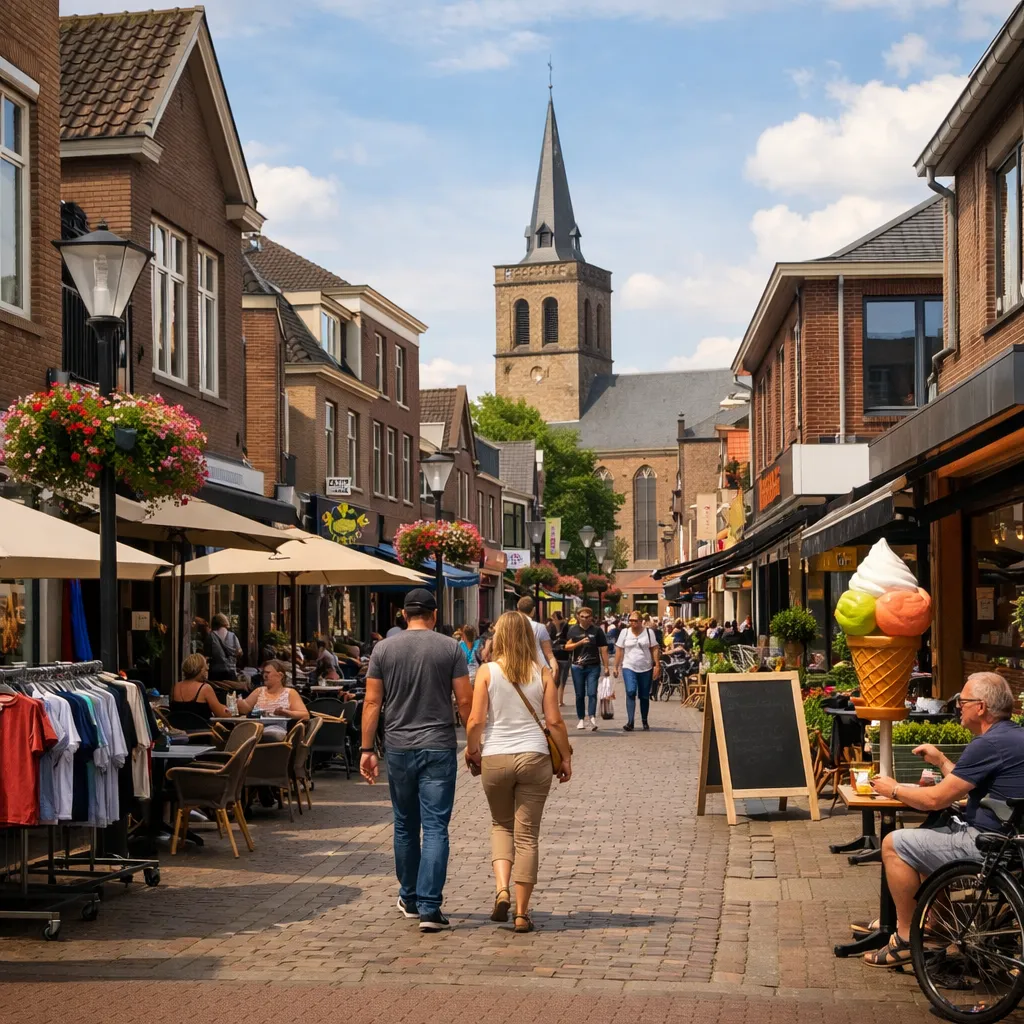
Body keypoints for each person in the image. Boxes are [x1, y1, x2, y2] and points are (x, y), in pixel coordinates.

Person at [862, 673, 1024, 968]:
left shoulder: (988, 744)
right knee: (930, 837)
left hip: (987, 845)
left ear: (982, 707)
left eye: (963, 701)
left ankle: (907, 937)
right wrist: (940, 761)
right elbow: (967, 783)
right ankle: (936, 926)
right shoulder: (1013, 737)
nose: (958, 706)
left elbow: (937, 799)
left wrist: (894, 789)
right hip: (1011, 842)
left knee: (894, 844)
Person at [360, 588, 473, 933]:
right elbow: (465, 701)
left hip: (398, 746)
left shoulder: (383, 649)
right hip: (439, 746)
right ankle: (429, 908)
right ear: (434, 615)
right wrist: (474, 743)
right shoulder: (449, 648)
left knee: (405, 824)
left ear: (404, 615)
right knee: (436, 826)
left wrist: (366, 749)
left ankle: (409, 898)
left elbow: (371, 702)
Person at [464, 612, 572, 933]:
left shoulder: (487, 671)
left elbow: (475, 721)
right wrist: (564, 757)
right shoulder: (543, 672)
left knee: (501, 824)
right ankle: (522, 913)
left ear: (498, 637)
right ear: (527, 636)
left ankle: (501, 890)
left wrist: (472, 750)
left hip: (496, 755)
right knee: (527, 836)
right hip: (534, 756)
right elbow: (554, 722)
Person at [235, 659, 309, 740]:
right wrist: (239, 703)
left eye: (268, 673)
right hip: (255, 727)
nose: (264, 676)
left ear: (280, 676)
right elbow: (246, 708)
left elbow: (305, 715)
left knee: (267, 734)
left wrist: (286, 712)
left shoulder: (290, 693)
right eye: (264, 673)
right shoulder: (259, 691)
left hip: (276, 730)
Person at [612, 612, 661, 732]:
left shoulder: (649, 633)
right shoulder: (625, 632)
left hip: (646, 667)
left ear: (641, 622)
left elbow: (655, 648)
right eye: (630, 620)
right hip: (629, 666)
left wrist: (657, 665)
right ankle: (630, 722)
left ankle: (644, 720)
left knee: (644, 696)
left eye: (635, 621)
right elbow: (619, 649)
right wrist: (616, 666)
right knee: (630, 691)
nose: (632, 623)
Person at [564, 606, 609, 732]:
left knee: (592, 693)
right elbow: (567, 647)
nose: (584, 619)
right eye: (582, 617)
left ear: (591, 617)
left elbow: (604, 649)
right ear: (578, 617)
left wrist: (606, 666)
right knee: (579, 694)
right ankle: (581, 719)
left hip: (593, 666)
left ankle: (592, 717)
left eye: (587, 617)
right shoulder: (573, 630)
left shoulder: (597, 631)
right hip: (577, 667)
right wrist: (579, 643)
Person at [169, 654, 230, 721]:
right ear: (200, 669)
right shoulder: (205, 688)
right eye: (205, 668)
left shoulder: (176, 687)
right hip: (202, 730)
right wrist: (230, 709)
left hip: (179, 730)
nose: (207, 669)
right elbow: (221, 714)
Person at [516, 596, 557, 677]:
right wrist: (554, 668)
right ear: (533, 610)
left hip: (516, 668)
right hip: (538, 669)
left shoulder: (508, 626)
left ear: (518, 609)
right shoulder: (540, 627)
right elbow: (549, 653)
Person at [205, 613, 243, 684]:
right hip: (231, 672)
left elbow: (207, 656)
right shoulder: (233, 636)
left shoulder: (211, 636)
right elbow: (239, 653)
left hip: (215, 673)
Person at [548, 610, 571, 708]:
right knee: (563, 679)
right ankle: (560, 700)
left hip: (554, 655)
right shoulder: (567, 625)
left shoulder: (550, 626)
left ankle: (553, 700)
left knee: (554, 679)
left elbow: (548, 639)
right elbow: (569, 639)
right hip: (564, 654)